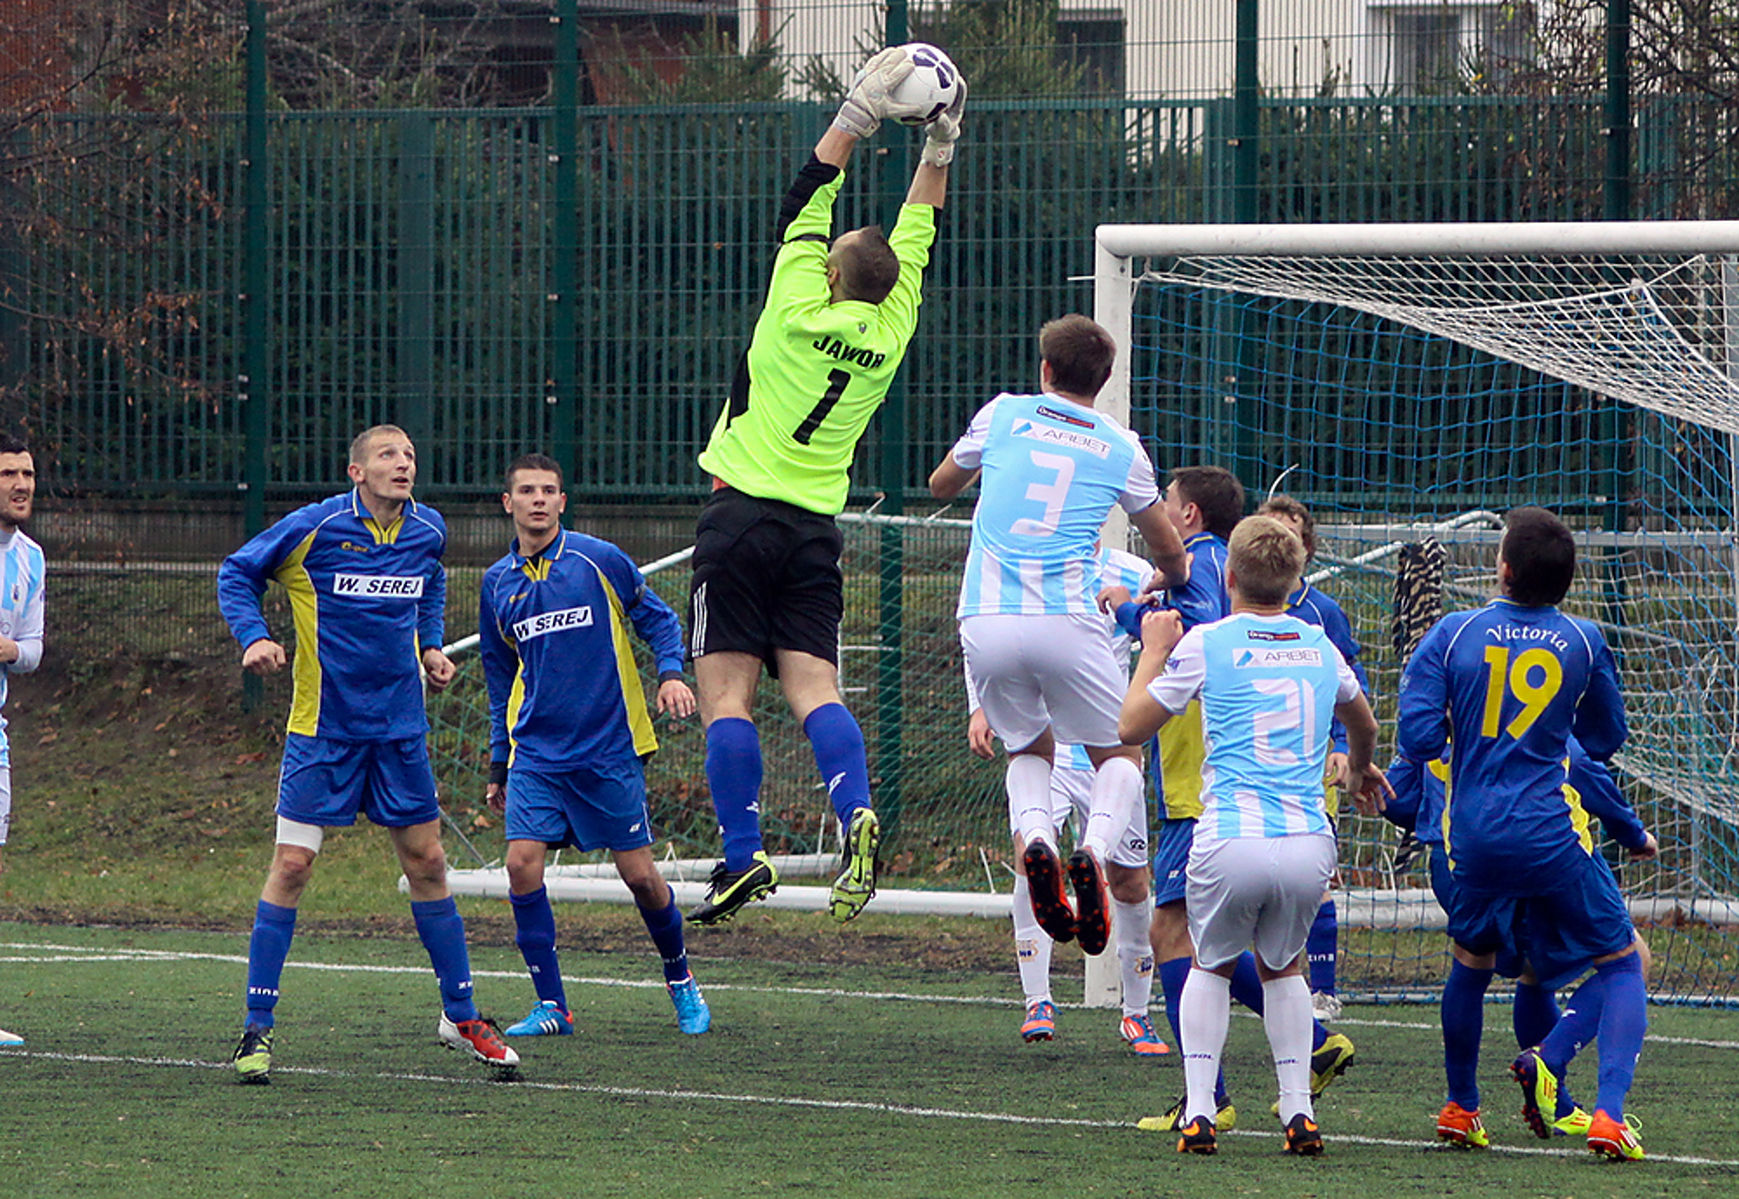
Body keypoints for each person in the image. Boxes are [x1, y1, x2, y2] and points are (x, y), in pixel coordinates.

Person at [686, 46, 965, 926]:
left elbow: (808, 195)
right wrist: (939, 148)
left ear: (831, 271)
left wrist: (855, 116)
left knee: (724, 695)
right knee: (816, 690)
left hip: (737, 517)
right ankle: (856, 809)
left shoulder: (795, 305)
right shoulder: (890, 330)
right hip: (816, 528)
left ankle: (742, 856)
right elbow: (913, 236)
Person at [216, 424, 517, 1082]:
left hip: (399, 731)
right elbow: (237, 573)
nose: (402, 463)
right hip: (321, 729)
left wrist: (431, 645)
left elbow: (430, 584)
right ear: (356, 471)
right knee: (293, 864)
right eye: (387, 454)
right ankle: (256, 1028)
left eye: (409, 454)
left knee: (428, 860)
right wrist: (252, 636)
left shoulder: (427, 530)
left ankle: (461, 1015)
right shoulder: (314, 528)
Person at [1118, 515, 1389, 1157]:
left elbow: (1131, 727)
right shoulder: (1320, 645)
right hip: (1306, 841)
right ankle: (1299, 1113)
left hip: (1232, 836)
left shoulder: (1208, 642)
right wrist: (1356, 769)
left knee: (1209, 965)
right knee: (1283, 968)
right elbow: (1365, 721)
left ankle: (1202, 1110)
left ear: (1230, 576)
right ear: (1297, 584)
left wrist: (1153, 648)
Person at [929, 313, 1189, 959]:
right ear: (1103, 380)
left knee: (1029, 750)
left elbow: (940, 484)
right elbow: (1165, 543)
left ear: (1044, 369)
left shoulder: (1003, 412)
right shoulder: (1120, 444)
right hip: (1067, 619)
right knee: (1120, 755)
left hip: (985, 617)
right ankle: (1090, 853)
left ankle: (1038, 841)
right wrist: (1177, 571)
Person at [1396, 505, 1647, 1160]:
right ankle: (1607, 1114)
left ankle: (1460, 1105)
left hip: (1470, 838)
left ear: (1501, 567)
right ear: (1566, 580)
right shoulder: (1585, 640)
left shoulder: (1452, 634)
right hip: (1547, 834)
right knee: (1622, 960)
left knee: (1471, 964)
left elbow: (1417, 738)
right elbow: (1604, 737)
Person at [478, 454, 710, 1038]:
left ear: (562, 502)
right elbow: (500, 677)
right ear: (508, 504)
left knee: (639, 875)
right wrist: (498, 760)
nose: (538, 500)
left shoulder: (598, 559)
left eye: (549, 491)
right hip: (535, 753)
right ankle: (553, 1005)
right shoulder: (496, 584)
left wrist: (672, 673)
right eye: (526, 490)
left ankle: (680, 978)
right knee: (520, 866)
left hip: (608, 747)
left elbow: (657, 619)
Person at [1381, 738, 1656, 1139]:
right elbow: (1582, 758)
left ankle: (1467, 1105)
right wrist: (1631, 831)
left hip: (1454, 853)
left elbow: (1397, 796)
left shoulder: (1437, 697)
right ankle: (1560, 1069)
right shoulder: (1523, 685)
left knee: (1486, 964)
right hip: (1538, 841)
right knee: (1631, 960)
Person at [963, 542, 1165, 1053]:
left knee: (1130, 881)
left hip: (1106, 747)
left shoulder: (1133, 572)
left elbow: (1158, 646)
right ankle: (1038, 999)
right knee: (1034, 864)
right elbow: (983, 632)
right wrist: (980, 707)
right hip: (1048, 745)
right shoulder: (1024, 560)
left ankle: (1136, 1014)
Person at [1256, 494, 1372, 1021]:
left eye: (1292, 533)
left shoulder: (1322, 613)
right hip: (1250, 762)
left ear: (1306, 548)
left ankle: (1322, 989)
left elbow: (1353, 689)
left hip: (1309, 761)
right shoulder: (1232, 603)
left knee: (1316, 876)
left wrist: (1345, 748)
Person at [0, 435, 44, 1050]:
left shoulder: (30, 557)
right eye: (9, 472)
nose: (20, 483)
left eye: (27, 473)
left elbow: (34, 647)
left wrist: (12, 651)